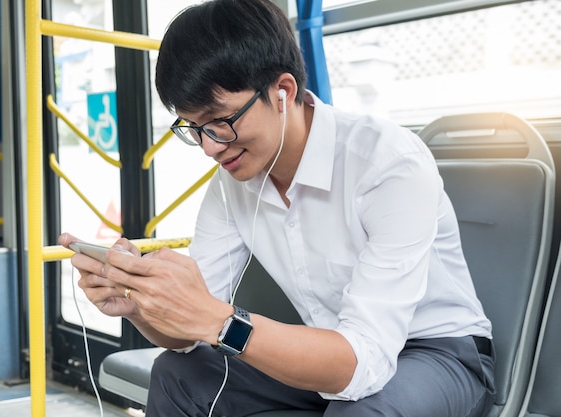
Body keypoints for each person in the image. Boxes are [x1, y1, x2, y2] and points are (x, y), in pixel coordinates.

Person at [59, 0, 496, 415]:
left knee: (366, 411)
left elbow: (362, 364)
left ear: (283, 90)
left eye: (221, 121)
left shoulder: (388, 165)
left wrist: (218, 320)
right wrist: (141, 304)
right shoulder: (233, 182)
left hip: (436, 352)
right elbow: (188, 333)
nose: (210, 147)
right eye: (194, 128)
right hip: (332, 346)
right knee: (178, 373)